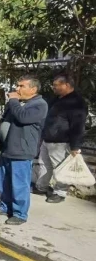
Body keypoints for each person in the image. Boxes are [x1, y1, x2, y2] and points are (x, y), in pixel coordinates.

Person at [0, 74, 48, 225]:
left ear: (33, 89)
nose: (17, 89)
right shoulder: (18, 103)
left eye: (22, 86)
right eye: (17, 85)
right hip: (7, 148)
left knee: (19, 183)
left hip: (22, 150)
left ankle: (20, 213)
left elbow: (23, 118)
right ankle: (5, 207)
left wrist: (13, 100)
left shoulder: (39, 105)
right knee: (3, 182)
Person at [33, 74, 88, 203]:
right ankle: (42, 187)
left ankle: (60, 192)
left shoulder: (77, 102)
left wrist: (75, 146)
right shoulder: (56, 99)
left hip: (62, 142)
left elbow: (78, 125)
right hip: (48, 139)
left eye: (56, 85)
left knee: (60, 167)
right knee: (44, 165)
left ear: (67, 85)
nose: (54, 88)